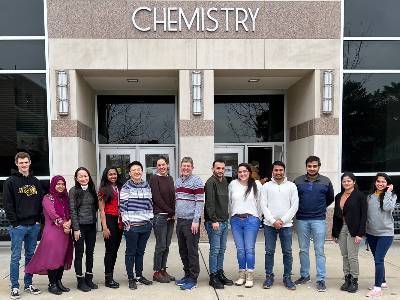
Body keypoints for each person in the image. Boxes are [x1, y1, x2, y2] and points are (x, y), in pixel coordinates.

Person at [25, 175, 73, 295]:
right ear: (53, 185)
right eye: (58, 184)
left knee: (62, 257)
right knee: (53, 258)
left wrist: (70, 223)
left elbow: (72, 212)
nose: (61, 186)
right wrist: (65, 224)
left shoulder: (66, 198)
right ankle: (52, 284)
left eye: (63, 184)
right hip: (53, 232)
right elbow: (53, 215)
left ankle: (58, 281)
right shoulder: (48, 198)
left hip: (65, 233)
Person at [4, 152, 43, 299]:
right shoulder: (10, 182)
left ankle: (28, 284)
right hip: (18, 227)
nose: (24, 165)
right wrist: (15, 223)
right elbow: (8, 205)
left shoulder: (35, 181)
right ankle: (15, 286)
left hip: (33, 225)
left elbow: (40, 203)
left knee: (30, 256)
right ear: (16, 164)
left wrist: (38, 221)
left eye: (26, 162)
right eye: (21, 162)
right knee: (15, 257)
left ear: (30, 162)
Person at [294, 156, 334, 292]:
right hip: (301, 220)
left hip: (319, 220)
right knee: (303, 250)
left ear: (319, 166)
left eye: (314, 166)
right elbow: (294, 199)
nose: (312, 168)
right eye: (309, 166)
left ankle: (321, 279)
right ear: (306, 166)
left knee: (319, 251)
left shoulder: (326, 181)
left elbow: (330, 198)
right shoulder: (298, 181)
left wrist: (319, 208)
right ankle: (304, 275)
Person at [260, 161, 299, 290]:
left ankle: (287, 277)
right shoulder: (266, 186)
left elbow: (294, 206)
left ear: (284, 171)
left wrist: (282, 220)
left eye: (281, 170)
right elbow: (263, 206)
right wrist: (273, 221)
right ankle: (269, 276)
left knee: (287, 252)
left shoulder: (291, 186)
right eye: (276, 170)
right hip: (269, 225)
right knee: (269, 251)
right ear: (272, 171)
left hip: (286, 225)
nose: (278, 172)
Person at [119, 161, 154, 290]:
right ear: (129, 173)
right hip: (132, 227)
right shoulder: (126, 187)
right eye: (134, 170)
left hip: (145, 225)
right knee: (131, 252)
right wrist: (127, 224)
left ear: (142, 171)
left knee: (140, 252)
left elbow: (150, 203)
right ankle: (131, 278)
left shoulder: (146, 185)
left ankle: (139, 276)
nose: (137, 172)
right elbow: (122, 207)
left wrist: (150, 220)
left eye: (139, 169)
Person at [332, 172, 367, 294]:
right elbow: (336, 216)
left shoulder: (360, 196)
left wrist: (360, 233)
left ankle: (354, 280)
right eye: (344, 181)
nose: (346, 183)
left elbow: (364, 216)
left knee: (352, 256)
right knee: (345, 255)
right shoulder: (338, 196)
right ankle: (347, 278)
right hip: (342, 228)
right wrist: (334, 233)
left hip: (354, 230)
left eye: (348, 181)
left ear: (354, 182)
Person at [229, 162, 262, 288]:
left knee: (249, 249)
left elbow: (260, 203)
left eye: (245, 171)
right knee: (240, 250)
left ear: (249, 172)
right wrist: (231, 217)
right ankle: (241, 274)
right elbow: (230, 202)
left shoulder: (257, 184)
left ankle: (250, 275)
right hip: (236, 220)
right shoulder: (233, 184)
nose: (242, 174)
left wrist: (258, 218)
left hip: (251, 220)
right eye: (240, 172)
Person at [174, 157, 205, 291]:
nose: (185, 168)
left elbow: (200, 201)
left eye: (188, 166)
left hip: (191, 222)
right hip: (180, 221)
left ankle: (193, 278)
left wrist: (195, 220)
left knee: (192, 251)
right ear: (181, 167)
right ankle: (187, 275)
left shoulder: (196, 181)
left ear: (192, 167)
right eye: (183, 166)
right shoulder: (178, 181)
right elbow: (177, 200)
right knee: (183, 250)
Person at [365, 173, 397, 298]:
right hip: (371, 233)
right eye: (378, 181)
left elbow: (387, 207)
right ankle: (382, 282)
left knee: (379, 259)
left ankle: (377, 288)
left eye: (383, 182)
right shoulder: (370, 197)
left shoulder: (392, 196)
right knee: (377, 259)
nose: (380, 184)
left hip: (386, 233)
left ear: (387, 183)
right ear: (375, 182)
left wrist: (388, 192)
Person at [204, 159, 233, 289]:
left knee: (222, 249)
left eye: (222, 168)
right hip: (214, 222)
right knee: (215, 250)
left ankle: (220, 272)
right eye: (218, 168)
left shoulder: (225, 181)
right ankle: (213, 276)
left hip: (224, 221)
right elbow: (209, 204)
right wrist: (214, 220)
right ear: (213, 169)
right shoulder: (210, 182)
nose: (221, 171)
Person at [69, 167, 98, 292]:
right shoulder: (73, 191)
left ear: (89, 177)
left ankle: (89, 278)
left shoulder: (92, 190)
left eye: (85, 176)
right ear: (76, 178)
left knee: (90, 253)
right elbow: (72, 210)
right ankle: (80, 281)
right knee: (79, 253)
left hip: (91, 226)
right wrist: (75, 228)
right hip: (79, 227)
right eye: (80, 176)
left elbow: (96, 207)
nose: (83, 178)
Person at [149, 156, 176, 283]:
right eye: (159, 165)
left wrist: (173, 211)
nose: (161, 167)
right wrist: (170, 210)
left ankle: (163, 269)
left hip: (170, 217)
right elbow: (156, 198)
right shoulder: (154, 178)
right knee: (161, 245)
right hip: (160, 216)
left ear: (168, 165)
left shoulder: (170, 178)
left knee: (167, 245)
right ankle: (156, 272)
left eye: (163, 164)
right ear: (157, 167)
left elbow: (172, 197)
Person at [98, 167, 124, 288]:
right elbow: (101, 210)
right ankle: (108, 279)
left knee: (115, 250)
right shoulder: (103, 190)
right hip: (109, 219)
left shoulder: (120, 187)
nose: (113, 176)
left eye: (114, 174)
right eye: (110, 174)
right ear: (106, 176)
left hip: (119, 220)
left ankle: (111, 275)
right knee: (110, 251)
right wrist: (104, 227)